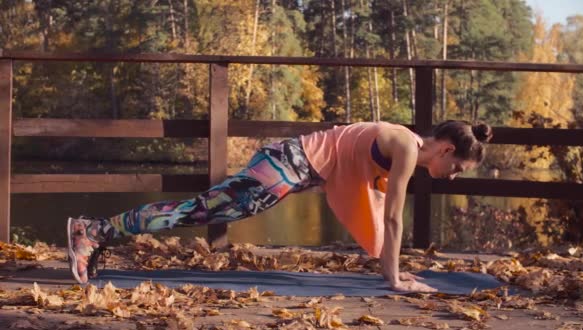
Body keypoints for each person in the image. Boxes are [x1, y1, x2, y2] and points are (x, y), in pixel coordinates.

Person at [67, 120, 492, 292]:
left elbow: (375, 206)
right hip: (286, 165)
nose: (453, 176)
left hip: (291, 168)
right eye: (457, 169)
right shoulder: (405, 145)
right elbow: (396, 215)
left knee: (201, 210)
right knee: (197, 211)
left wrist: (393, 268)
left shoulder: (406, 143)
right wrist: (394, 279)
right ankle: (96, 230)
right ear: (448, 149)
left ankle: (99, 231)